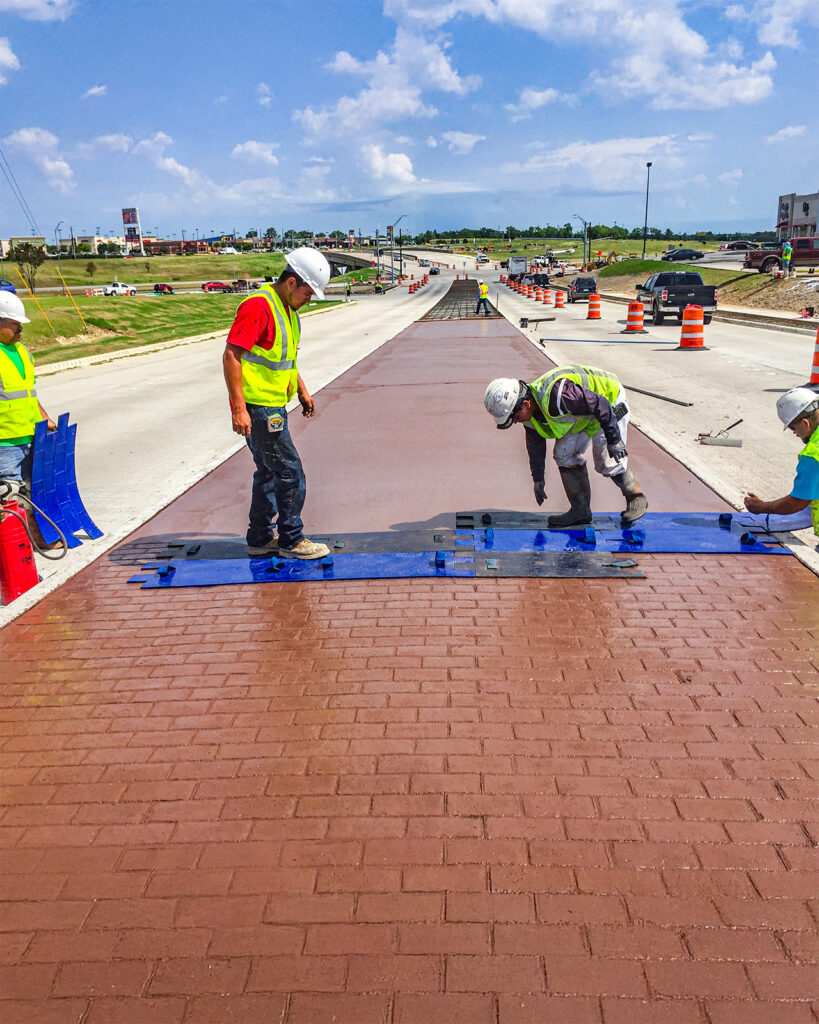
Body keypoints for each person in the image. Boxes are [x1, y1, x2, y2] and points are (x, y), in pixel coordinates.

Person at [222, 248, 331, 560]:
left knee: (269, 473)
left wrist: (302, 390)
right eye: (309, 293)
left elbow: (285, 361)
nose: (309, 300)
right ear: (292, 283)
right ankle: (291, 540)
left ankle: (259, 537)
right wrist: (239, 408)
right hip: (259, 408)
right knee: (289, 473)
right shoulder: (260, 306)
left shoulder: (287, 311)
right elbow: (232, 356)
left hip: (272, 405)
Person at [484, 366, 648, 527]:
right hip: (584, 410)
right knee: (563, 453)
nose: (515, 421)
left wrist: (614, 439)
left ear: (526, 403)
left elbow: (601, 404)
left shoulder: (559, 395)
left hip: (608, 402)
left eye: (514, 416)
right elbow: (535, 445)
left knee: (606, 461)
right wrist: (538, 479)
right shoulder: (530, 415)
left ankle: (635, 496)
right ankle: (580, 510)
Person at [738, 387, 819, 541]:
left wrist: (761, 508)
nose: (794, 433)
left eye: (792, 428)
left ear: (805, 423)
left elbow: (797, 502)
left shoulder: (813, 455)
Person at [0, 291, 56, 488]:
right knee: (8, 502)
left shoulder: (22, 352)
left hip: (31, 439)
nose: (20, 328)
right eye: (14, 323)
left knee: (26, 502)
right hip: (4, 445)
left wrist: (44, 417)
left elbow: (28, 393)